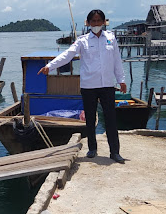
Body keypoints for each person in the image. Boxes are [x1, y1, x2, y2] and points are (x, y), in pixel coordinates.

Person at [37, 9, 127, 163]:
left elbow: (117, 61)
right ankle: (92, 149)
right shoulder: (82, 41)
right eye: (93, 21)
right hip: (88, 86)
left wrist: (121, 80)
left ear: (104, 22)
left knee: (111, 119)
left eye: (99, 21)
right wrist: (50, 66)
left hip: (107, 85)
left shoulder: (111, 39)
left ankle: (115, 152)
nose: (96, 24)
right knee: (90, 119)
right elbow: (67, 55)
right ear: (88, 23)